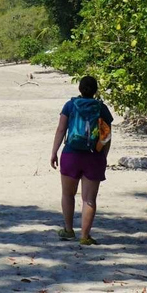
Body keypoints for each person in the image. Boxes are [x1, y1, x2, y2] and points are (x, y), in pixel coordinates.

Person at [50, 75, 113, 245]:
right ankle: (85, 237)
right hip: (94, 156)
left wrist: (54, 152)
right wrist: (103, 156)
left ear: (80, 88)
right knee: (89, 199)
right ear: (95, 90)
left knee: (67, 194)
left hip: (71, 154)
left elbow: (61, 129)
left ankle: (69, 230)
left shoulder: (70, 105)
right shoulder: (101, 108)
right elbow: (106, 136)